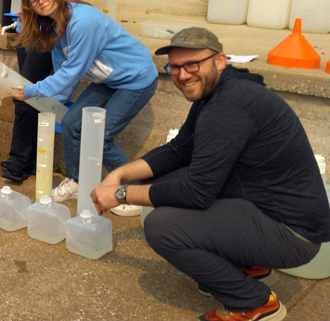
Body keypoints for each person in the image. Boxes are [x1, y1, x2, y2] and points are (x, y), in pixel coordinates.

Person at [91, 28, 330, 321]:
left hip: (294, 234)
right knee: (166, 184)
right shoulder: (218, 93)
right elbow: (180, 149)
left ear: (219, 61)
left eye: (193, 64)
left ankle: (253, 303)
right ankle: (243, 266)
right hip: (265, 209)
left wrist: (120, 194)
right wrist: (121, 173)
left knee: (162, 226)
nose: (182, 74)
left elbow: (197, 192)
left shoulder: (228, 106)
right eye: (175, 67)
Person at [11, 0, 157, 214]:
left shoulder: (83, 23)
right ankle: (77, 182)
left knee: (101, 135)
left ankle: (135, 192)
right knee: (71, 123)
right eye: (35, 1)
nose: (42, 2)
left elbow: (71, 73)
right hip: (107, 79)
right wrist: (55, 98)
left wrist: (33, 91)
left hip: (135, 78)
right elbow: (62, 67)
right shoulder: (55, 25)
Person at [1, 0, 86, 186]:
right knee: (33, 94)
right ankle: (35, 159)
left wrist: (46, 3)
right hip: (28, 26)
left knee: (26, 92)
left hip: (50, 29)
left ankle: (19, 162)